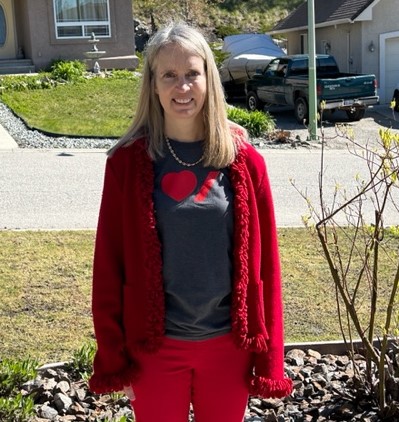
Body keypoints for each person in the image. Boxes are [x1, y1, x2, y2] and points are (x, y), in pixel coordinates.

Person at [88, 21, 293, 422]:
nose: (182, 88)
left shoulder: (245, 162)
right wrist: (115, 358)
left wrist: (269, 359)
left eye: (192, 74)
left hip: (228, 349)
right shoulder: (127, 164)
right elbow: (108, 268)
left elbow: (267, 267)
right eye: (169, 75)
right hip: (153, 350)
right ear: (153, 84)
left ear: (208, 79)